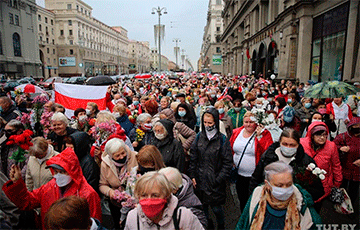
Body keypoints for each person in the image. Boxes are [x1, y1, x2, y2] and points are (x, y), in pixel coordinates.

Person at [2, 148, 102, 228]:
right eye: (56, 171)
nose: (58, 175)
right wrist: (17, 183)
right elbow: (28, 201)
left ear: (73, 171)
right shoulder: (50, 186)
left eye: (62, 172)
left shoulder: (88, 194)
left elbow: (92, 224)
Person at [236, 161, 321, 230]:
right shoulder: (257, 196)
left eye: (288, 184)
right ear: (267, 184)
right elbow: (243, 223)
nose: (285, 189)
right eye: (279, 186)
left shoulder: (302, 203)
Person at [250, 128, 324, 202]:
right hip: (268, 201)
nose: (288, 148)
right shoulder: (268, 156)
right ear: (280, 142)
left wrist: (300, 194)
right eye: (285, 144)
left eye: (292, 145)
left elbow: (318, 191)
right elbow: (255, 179)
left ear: (298, 144)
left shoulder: (306, 162)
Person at [189, 107, 232, 229]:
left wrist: (218, 179)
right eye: (205, 122)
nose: (207, 125)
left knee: (217, 209)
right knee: (203, 209)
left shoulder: (222, 140)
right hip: (200, 180)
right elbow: (193, 158)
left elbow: (227, 163)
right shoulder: (198, 137)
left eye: (210, 123)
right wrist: (192, 176)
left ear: (216, 123)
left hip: (215, 182)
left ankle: (221, 225)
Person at [125, 172, 204, 230]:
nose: (149, 201)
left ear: (166, 196)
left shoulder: (183, 216)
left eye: (155, 195)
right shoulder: (133, 217)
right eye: (144, 195)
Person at [229, 111, 273, 211]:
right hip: (239, 174)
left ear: (256, 123)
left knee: (254, 200)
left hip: (254, 176)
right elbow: (230, 148)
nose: (248, 124)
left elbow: (268, 151)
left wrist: (259, 136)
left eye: (251, 122)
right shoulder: (236, 132)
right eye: (246, 122)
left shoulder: (264, 133)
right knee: (242, 199)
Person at [99, 138, 137, 229]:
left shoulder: (135, 157)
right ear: (111, 156)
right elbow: (102, 184)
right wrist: (110, 192)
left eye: (123, 153)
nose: (121, 157)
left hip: (135, 203)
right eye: (117, 156)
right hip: (117, 203)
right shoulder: (105, 164)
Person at [300, 122, 343, 202]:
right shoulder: (302, 143)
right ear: (312, 135)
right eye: (318, 135)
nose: (322, 138)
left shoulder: (331, 146)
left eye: (324, 135)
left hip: (323, 184)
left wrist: (337, 183)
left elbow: (336, 165)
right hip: (304, 182)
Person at [333, 117, 360, 218]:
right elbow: (333, 145)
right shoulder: (343, 137)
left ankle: (350, 208)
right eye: (355, 127)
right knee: (341, 188)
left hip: (357, 171)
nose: (357, 129)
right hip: (344, 167)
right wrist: (341, 148)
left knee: (354, 191)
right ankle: (339, 205)